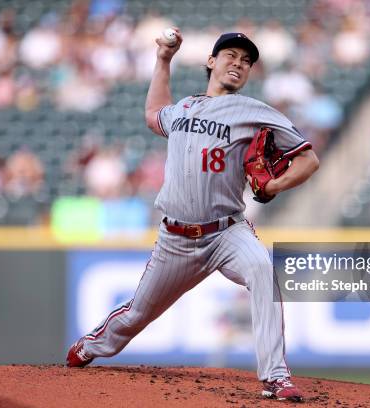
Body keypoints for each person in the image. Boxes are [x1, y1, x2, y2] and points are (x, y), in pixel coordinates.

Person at [66, 29, 320, 402]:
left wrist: (273, 187)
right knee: (138, 314)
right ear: (211, 62)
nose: (239, 63)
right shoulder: (183, 108)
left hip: (226, 232)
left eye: (247, 61)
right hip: (176, 239)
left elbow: (308, 159)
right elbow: (154, 115)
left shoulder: (254, 111)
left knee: (262, 270)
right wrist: (164, 60)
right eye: (231, 55)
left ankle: (275, 376)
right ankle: (94, 345)